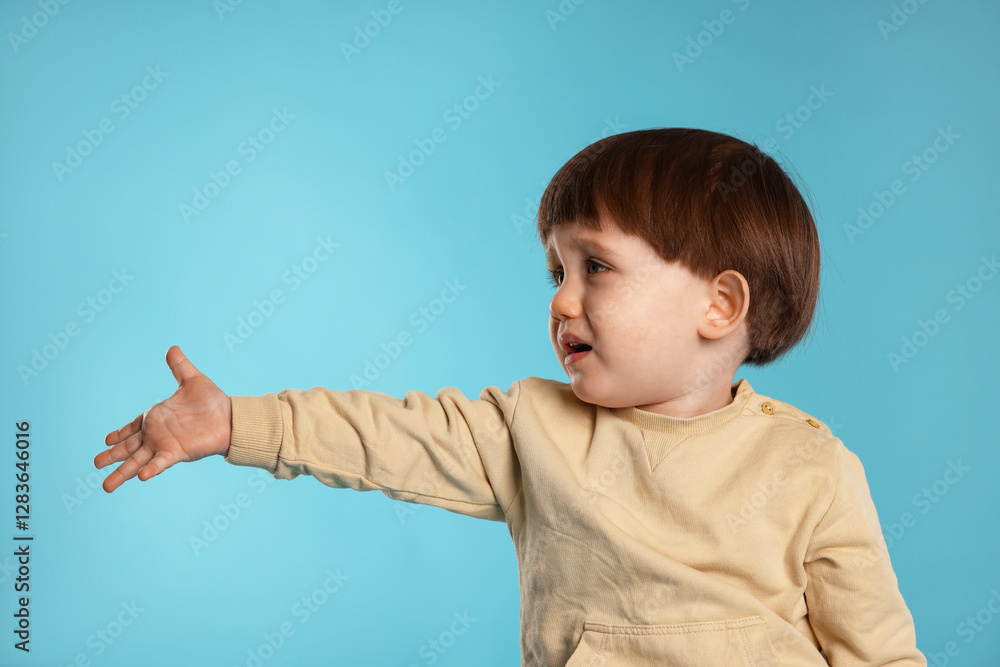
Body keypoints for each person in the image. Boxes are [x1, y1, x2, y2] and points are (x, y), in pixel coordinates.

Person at [95, 128, 927, 666]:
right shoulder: (532, 428)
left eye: (594, 266)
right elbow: (388, 436)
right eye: (555, 271)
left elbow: (879, 651)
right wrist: (238, 419)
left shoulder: (810, 465)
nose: (562, 300)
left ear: (720, 305)